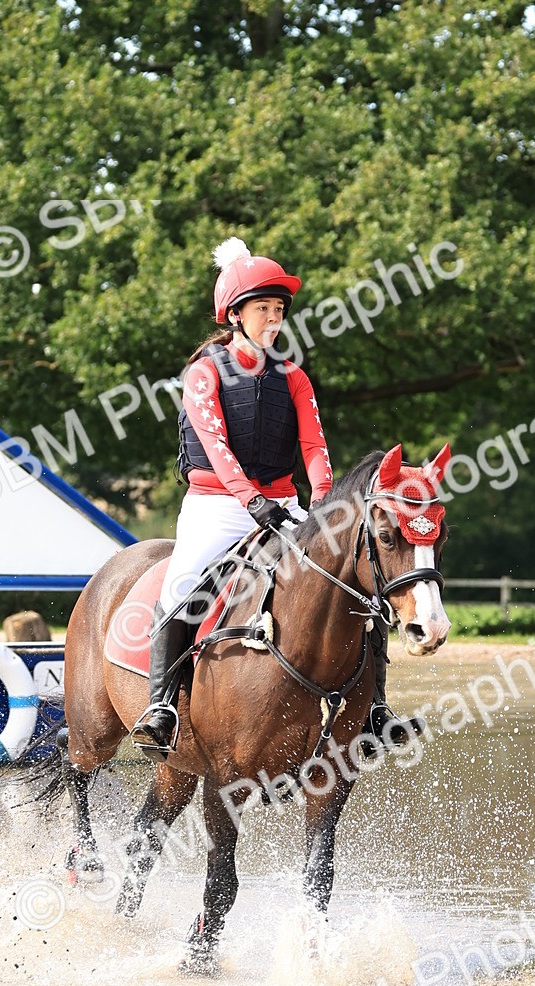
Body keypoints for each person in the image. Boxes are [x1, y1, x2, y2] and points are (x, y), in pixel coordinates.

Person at [130, 237, 418, 760]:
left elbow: (314, 447)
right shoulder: (204, 373)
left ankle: (375, 707)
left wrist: (324, 503)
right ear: (235, 315)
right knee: (182, 585)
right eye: (263, 308)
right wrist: (249, 500)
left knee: (355, 579)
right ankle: (161, 706)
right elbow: (216, 447)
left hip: (283, 504)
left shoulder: (294, 377)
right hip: (218, 506)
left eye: (279, 309)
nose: (273, 318)